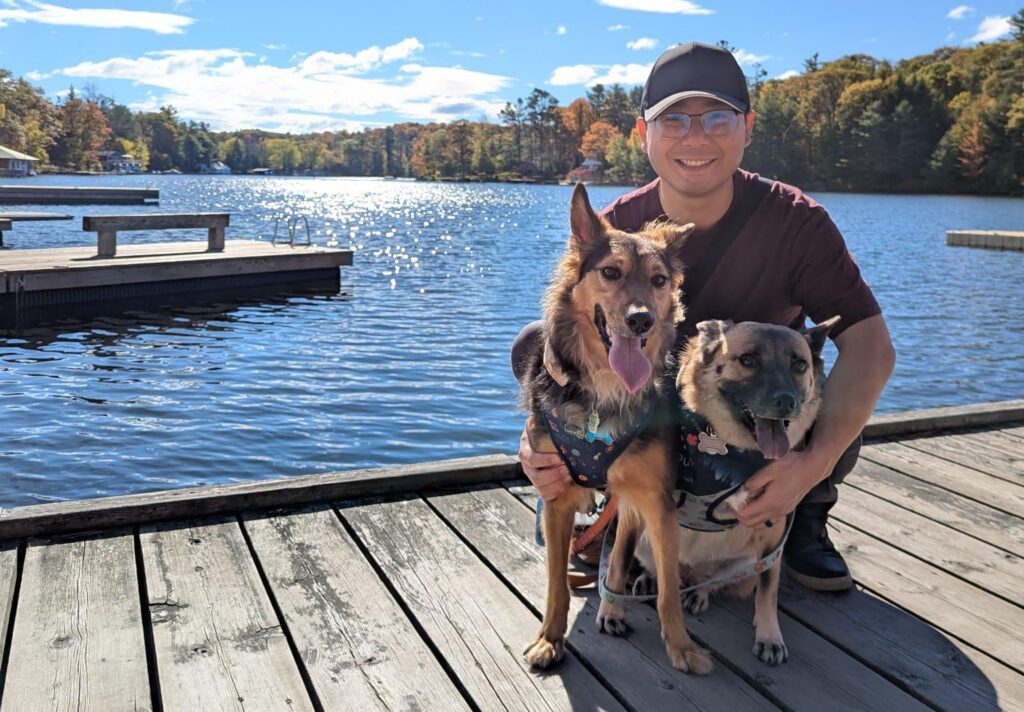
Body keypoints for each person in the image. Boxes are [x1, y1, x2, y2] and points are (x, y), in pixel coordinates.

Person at [511, 41, 896, 592]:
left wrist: (811, 466)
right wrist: (534, 441)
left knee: (809, 374)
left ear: (748, 128)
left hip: (747, 411)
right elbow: (561, 343)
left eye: (717, 117)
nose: (695, 137)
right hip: (652, 417)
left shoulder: (798, 223)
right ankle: (590, 493)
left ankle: (805, 514)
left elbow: (872, 349)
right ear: (643, 135)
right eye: (673, 119)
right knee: (533, 341)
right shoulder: (619, 226)